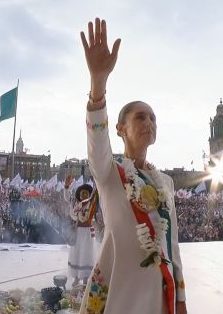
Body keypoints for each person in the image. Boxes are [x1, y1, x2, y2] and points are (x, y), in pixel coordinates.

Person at [81, 17, 186, 314]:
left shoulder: (165, 181)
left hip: (159, 294)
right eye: (140, 117)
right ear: (120, 128)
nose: (149, 122)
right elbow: (96, 141)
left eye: (153, 118)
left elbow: (172, 244)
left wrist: (181, 297)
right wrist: (98, 82)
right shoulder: (108, 172)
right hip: (120, 292)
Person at [64, 175, 97, 287]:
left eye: (86, 193)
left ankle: (86, 277)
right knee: (77, 254)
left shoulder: (92, 204)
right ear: (79, 194)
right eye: (82, 193)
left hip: (88, 233)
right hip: (77, 232)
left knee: (86, 254)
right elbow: (66, 197)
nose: (84, 195)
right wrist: (66, 187)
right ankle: (76, 277)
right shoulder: (75, 203)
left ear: (89, 195)